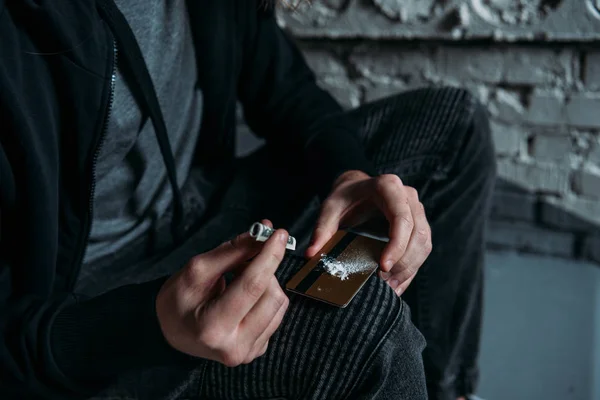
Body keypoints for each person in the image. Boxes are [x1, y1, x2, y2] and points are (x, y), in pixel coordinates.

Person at [0, 0, 496, 399]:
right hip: (98, 298)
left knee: (452, 125)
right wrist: (152, 325)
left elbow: (284, 89)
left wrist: (347, 176)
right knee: (363, 330)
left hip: (209, 207)